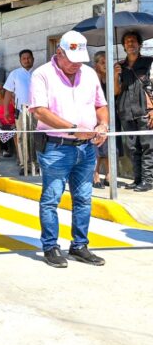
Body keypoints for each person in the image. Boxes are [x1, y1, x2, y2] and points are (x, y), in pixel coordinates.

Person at [30, 30, 108, 268]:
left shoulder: (90, 74)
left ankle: (80, 245)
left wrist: (103, 124)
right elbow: (40, 111)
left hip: (85, 148)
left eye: (80, 60)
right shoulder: (42, 74)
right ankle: (51, 247)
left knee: (84, 198)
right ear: (59, 52)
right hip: (56, 147)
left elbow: (100, 105)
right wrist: (74, 129)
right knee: (51, 198)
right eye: (71, 60)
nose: (76, 65)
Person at [114, 30, 153, 192]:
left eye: (133, 41)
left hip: (144, 110)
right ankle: (137, 179)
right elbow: (115, 92)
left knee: (148, 146)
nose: (130, 44)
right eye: (127, 42)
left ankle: (148, 180)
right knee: (132, 147)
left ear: (139, 44)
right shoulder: (120, 66)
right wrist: (115, 76)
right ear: (123, 46)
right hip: (126, 111)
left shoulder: (149, 62)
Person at [4, 49, 35, 174]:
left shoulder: (38, 73)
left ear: (33, 59)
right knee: (22, 137)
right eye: (24, 58)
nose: (26, 60)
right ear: (20, 60)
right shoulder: (15, 74)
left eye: (28, 58)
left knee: (36, 137)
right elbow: (8, 92)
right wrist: (6, 110)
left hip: (37, 110)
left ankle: (35, 163)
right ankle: (24, 164)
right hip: (21, 110)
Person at [92, 51, 110, 189]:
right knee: (98, 146)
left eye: (107, 62)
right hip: (95, 115)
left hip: (109, 114)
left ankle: (109, 175)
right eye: (102, 62)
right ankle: (95, 175)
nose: (105, 65)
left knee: (109, 146)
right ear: (96, 64)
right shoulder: (92, 78)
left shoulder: (109, 78)